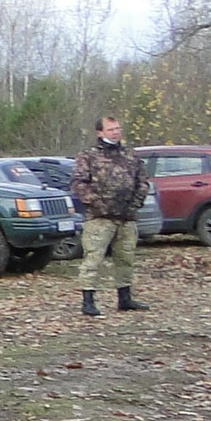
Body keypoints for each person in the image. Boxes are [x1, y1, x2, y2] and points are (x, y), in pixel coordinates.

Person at [69, 114, 152, 318]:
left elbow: (142, 181)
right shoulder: (88, 156)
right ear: (100, 132)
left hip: (126, 217)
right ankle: (88, 301)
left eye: (117, 128)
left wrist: (135, 202)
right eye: (111, 129)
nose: (116, 132)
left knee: (125, 258)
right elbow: (78, 184)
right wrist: (98, 204)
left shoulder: (130, 155)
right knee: (93, 259)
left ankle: (125, 298)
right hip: (99, 218)